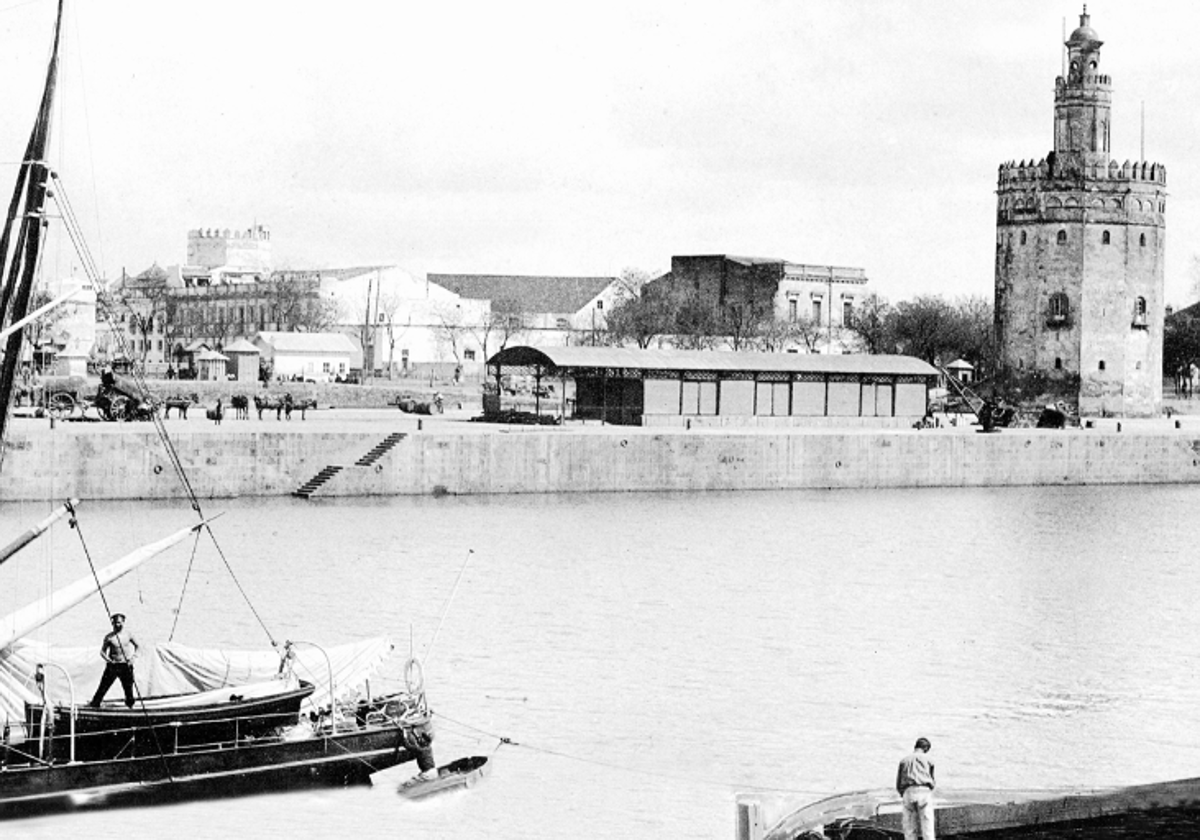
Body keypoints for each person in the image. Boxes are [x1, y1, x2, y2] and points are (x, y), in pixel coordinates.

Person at [89, 613, 140, 708]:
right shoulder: (109, 637)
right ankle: (95, 704)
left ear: (123, 622)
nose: (117, 625)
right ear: (112, 623)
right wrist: (109, 660)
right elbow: (102, 652)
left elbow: (138, 646)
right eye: (115, 623)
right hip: (113, 665)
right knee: (103, 686)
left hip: (125, 665)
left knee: (128, 687)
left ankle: (130, 706)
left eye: (120, 623)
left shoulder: (129, 635)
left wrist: (133, 658)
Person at [896, 737, 936, 840]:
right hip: (924, 791)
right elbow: (932, 779)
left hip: (908, 792)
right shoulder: (929, 760)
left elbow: (898, 782)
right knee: (927, 827)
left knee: (909, 828)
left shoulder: (904, 760)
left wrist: (903, 793)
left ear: (915, 746)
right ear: (926, 748)